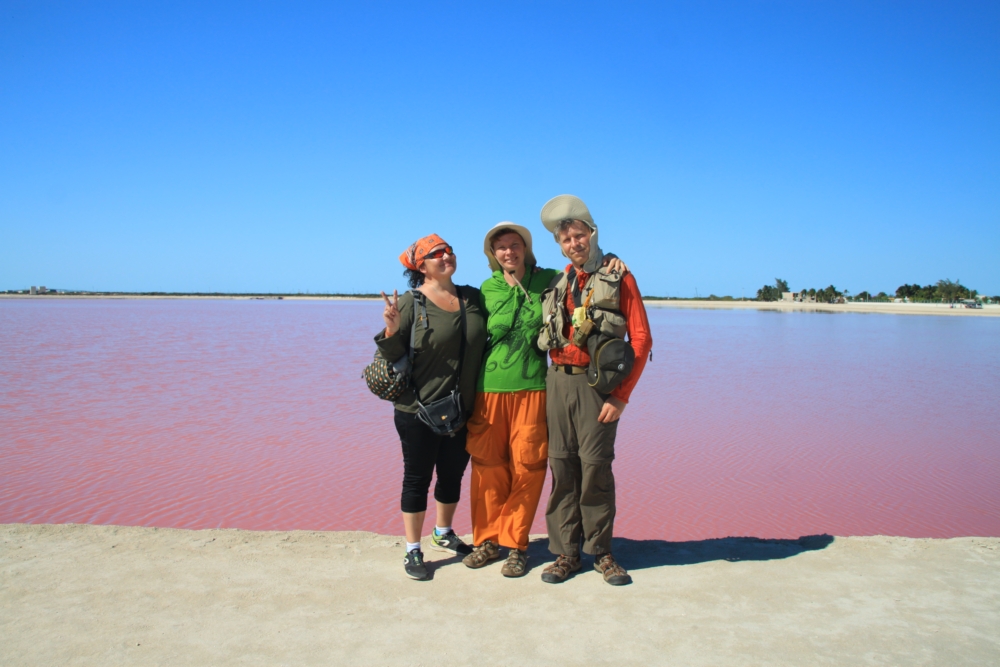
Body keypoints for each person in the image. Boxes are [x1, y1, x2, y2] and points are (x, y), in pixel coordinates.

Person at [463, 223, 627, 577]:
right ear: (492, 253)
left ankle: (516, 545)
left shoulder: (550, 279)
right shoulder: (484, 290)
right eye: (501, 247)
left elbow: (584, 267)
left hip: (535, 389)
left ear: (526, 248)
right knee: (488, 469)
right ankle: (487, 541)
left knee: (529, 468)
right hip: (487, 390)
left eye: (515, 244)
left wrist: (610, 258)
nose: (509, 252)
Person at [535, 195, 653, 586]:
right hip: (557, 382)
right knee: (561, 468)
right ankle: (566, 554)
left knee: (595, 469)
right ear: (560, 245)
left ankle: (601, 553)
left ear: (593, 234)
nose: (574, 244)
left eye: (579, 235)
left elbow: (641, 339)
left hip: (596, 388)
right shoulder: (558, 281)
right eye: (566, 239)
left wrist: (621, 396)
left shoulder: (620, 276)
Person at [376, 234, 487, 581]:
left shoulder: (473, 297)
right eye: (436, 254)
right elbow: (391, 356)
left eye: (448, 251)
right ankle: (413, 548)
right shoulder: (411, 303)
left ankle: (443, 532)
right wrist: (392, 330)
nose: (445, 256)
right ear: (421, 267)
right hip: (417, 410)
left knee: (453, 474)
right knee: (417, 478)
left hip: (462, 409)